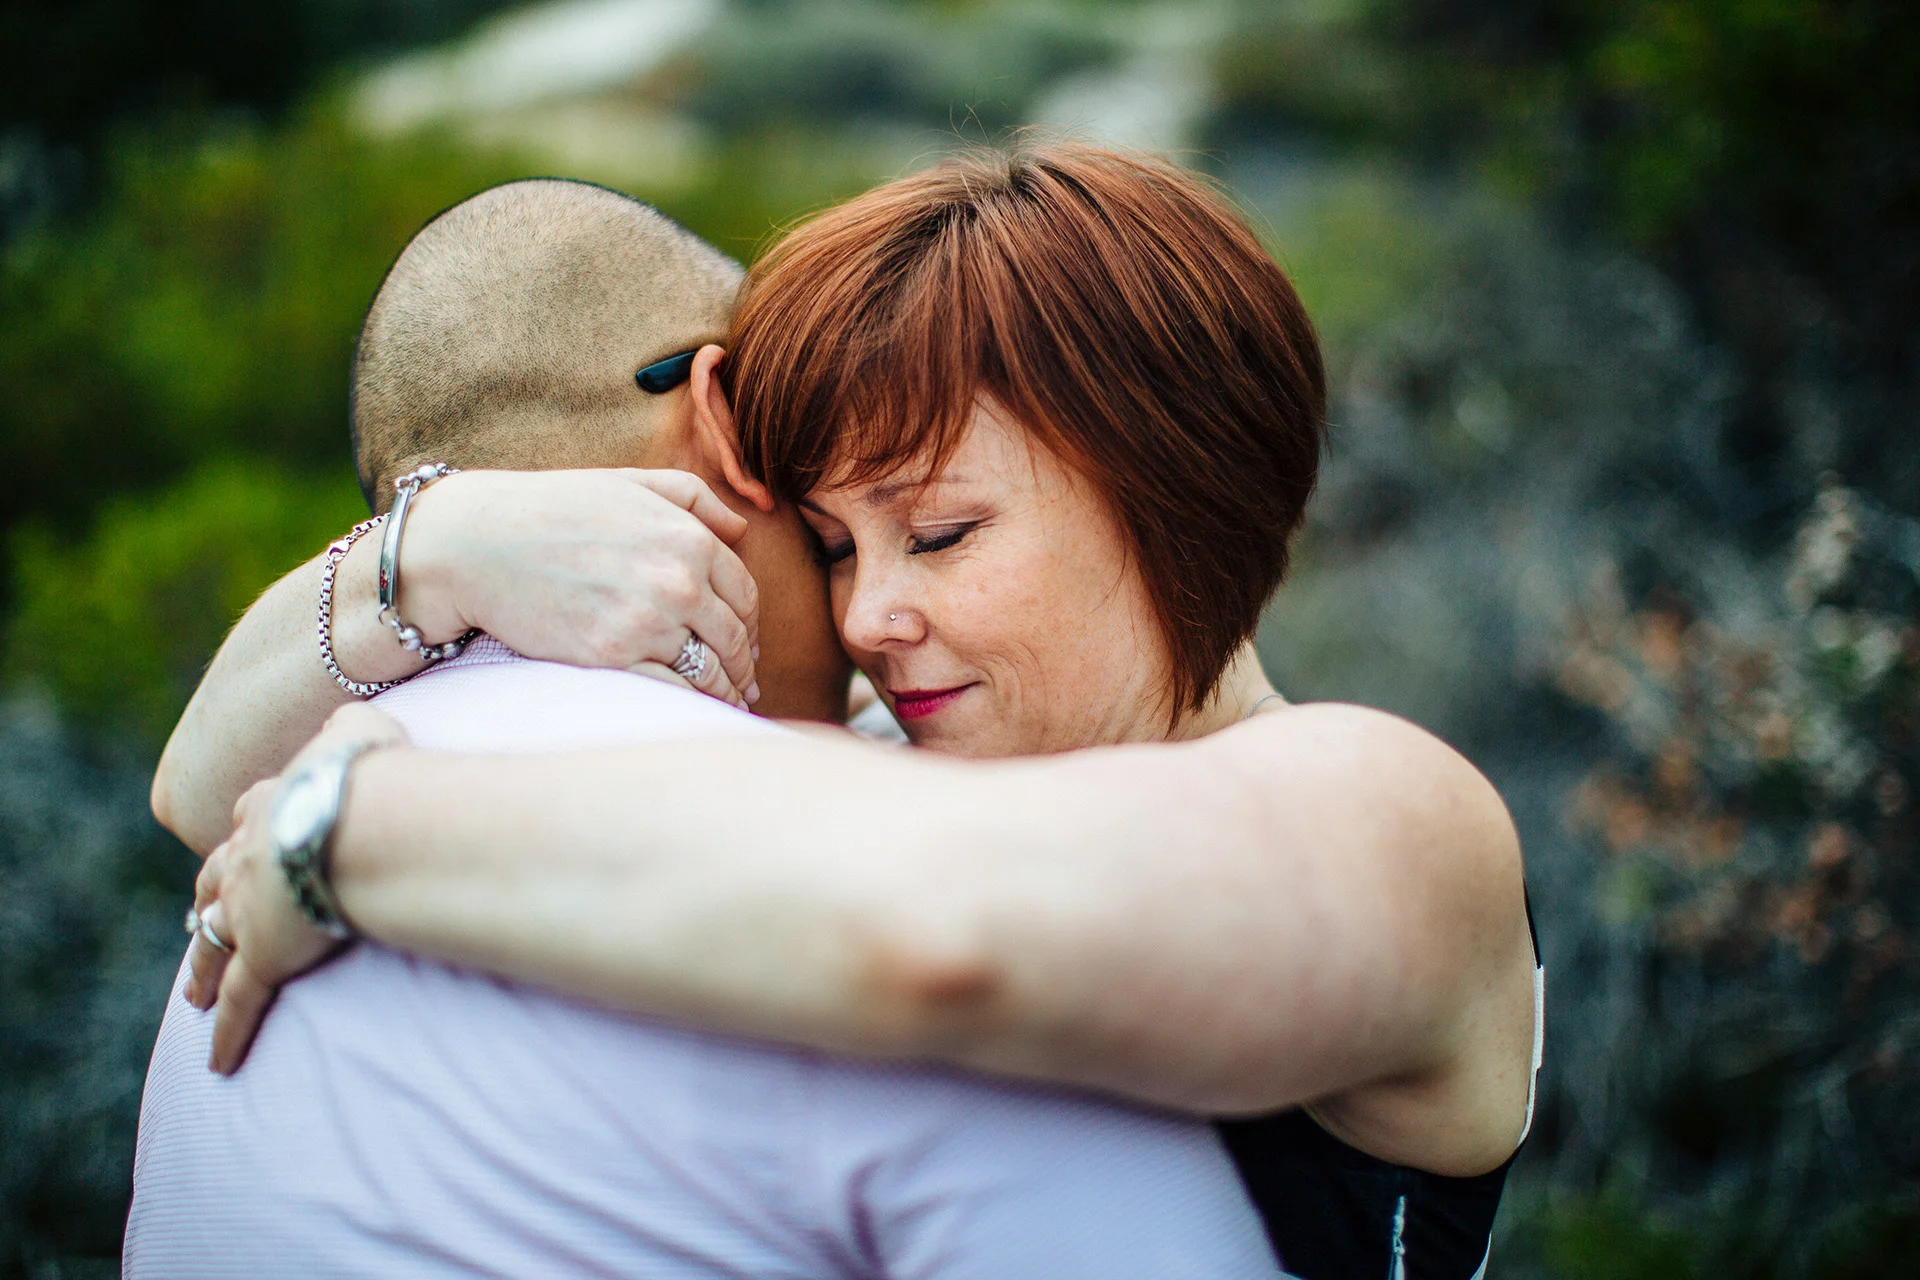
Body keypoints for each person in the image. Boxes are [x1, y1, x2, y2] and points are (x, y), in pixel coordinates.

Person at [167, 144, 1544, 1278]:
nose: (865, 619)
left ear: (1174, 491)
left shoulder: (1396, 816)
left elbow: (949, 927)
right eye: (830, 546)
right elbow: (195, 789)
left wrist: (351, 831)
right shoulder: (893, 758)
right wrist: (439, 543)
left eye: (938, 535)